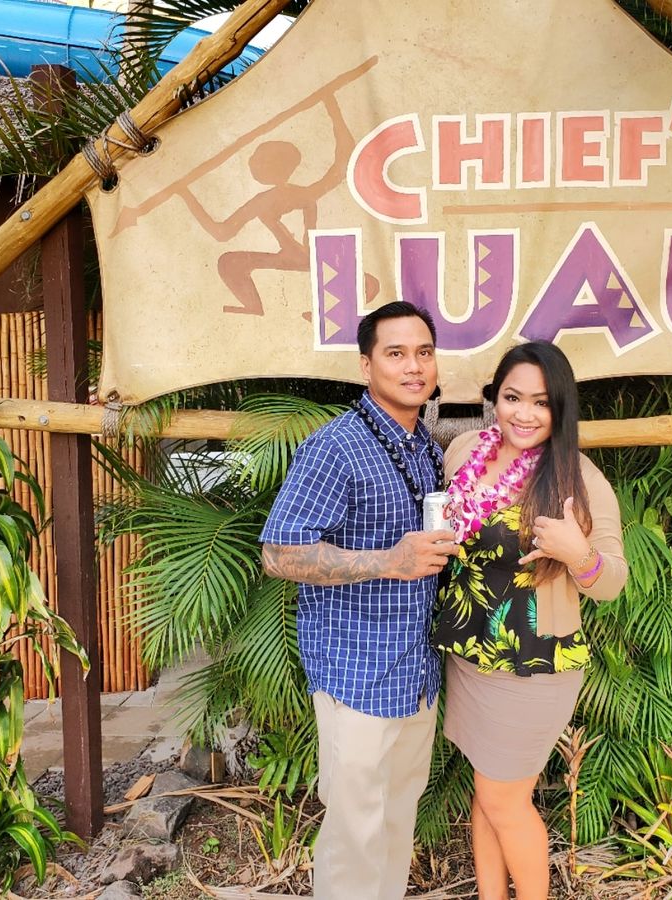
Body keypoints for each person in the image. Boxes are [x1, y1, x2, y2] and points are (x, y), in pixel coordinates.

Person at [261, 300, 458, 900]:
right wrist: (388, 562)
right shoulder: (337, 447)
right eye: (396, 353)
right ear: (366, 365)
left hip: (415, 672)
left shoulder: (424, 447)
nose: (413, 366)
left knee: (396, 820)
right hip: (356, 674)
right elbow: (279, 554)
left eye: (423, 352)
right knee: (354, 832)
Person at [432, 341, 628, 900]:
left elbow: (612, 581)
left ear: (561, 407)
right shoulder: (465, 451)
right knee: (488, 793)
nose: (524, 414)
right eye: (512, 397)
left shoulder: (579, 478)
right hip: (471, 653)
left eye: (541, 403)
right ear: (494, 399)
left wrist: (578, 554)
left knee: (505, 801)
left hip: (533, 663)